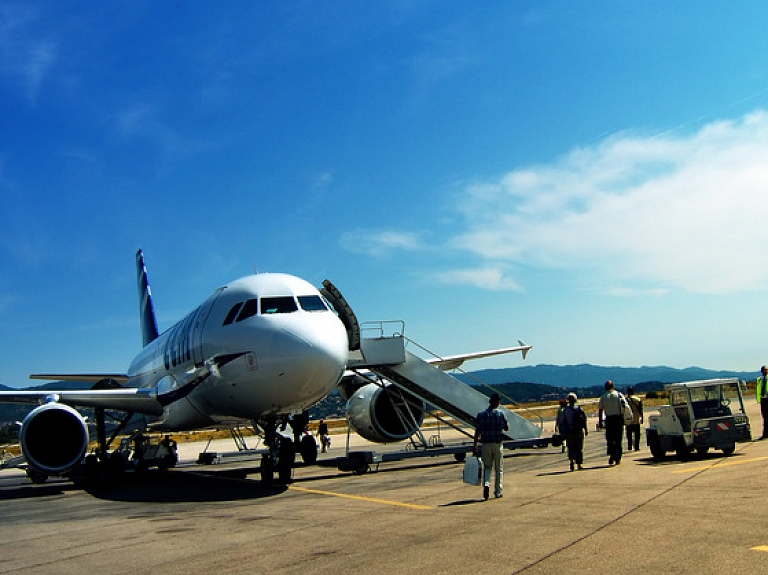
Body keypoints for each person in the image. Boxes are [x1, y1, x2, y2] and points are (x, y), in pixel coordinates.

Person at [473, 393, 509, 500]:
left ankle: (486, 484)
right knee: (499, 469)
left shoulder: (481, 415)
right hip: (497, 444)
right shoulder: (501, 414)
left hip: (486, 444)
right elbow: (506, 428)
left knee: (487, 467)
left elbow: (477, 431)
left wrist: (474, 445)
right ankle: (498, 491)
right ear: (497, 402)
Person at [598, 380, 624, 465]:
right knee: (618, 439)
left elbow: (600, 410)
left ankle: (612, 454)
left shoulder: (603, 397)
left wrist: (600, 421)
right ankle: (618, 457)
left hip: (609, 419)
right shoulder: (619, 395)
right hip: (618, 418)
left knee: (610, 439)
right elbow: (624, 407)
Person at [560, 392, 588, 471]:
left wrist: (563, 432)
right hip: (578, 430)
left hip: (570, 431)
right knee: (579, 447)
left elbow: (562, 422)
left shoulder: (565, 410)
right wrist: (586, 429)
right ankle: (579, 464)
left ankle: (571, 461)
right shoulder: (579, 409)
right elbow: (584, 420)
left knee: (571, 447)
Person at [625, 387, 644, 451]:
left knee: (629, 434)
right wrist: (642, 418)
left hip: (628, 420)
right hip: (636, 419)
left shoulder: (625, 400)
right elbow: (641, 410)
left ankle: (630, 445)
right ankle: (636, 446)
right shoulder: (638, 400)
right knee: (637, 434)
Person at [757, 366, 768, 440]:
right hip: (763, 400)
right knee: (765, 417)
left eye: (766, 370)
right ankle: (765, 434)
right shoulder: (759, 379)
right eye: (763, 370)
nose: (765, 372)